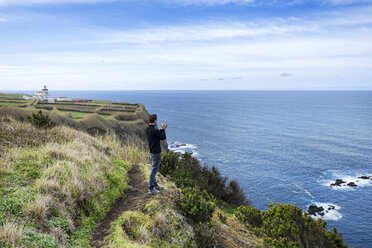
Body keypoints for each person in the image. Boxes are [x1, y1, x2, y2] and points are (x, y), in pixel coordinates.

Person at [146, 114, 167, 195]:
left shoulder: (147, 129)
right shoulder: (155, 131)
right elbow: (163, 137)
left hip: (151, 152)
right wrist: (163, 129)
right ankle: (150, 189)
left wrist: (161, 129)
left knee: (153, 169)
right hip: (156, 153)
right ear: (155, 121)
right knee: (153, 170)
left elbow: (158, 136)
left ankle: (155, 185)